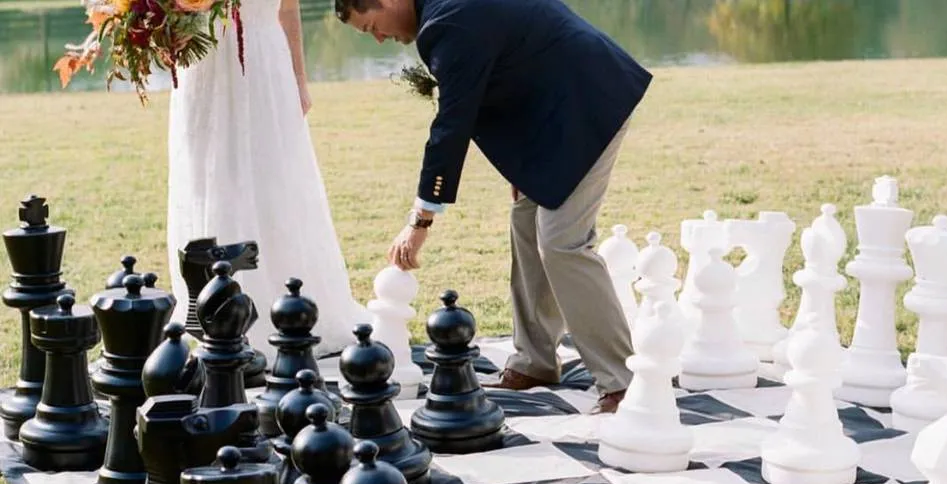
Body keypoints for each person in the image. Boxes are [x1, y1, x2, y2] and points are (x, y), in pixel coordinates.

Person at [334, 0, 652, 413]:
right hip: (556, 110)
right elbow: (514, 65)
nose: (379, 38)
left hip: (590, 101)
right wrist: (525, 164)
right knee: (525, 221)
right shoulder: (443, 13)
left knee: (562, 242)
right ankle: (535, 362)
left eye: (371, 26)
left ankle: (624, 382)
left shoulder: (446, 23)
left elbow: (452, 125)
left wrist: (420, 220)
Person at [166, 0, 370, 359]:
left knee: (274, 182)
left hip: (263, 63)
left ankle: (286, 303)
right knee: (214, 184)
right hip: (204, 67)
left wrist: (299, 80)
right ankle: (216, 311)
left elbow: (288, 9)